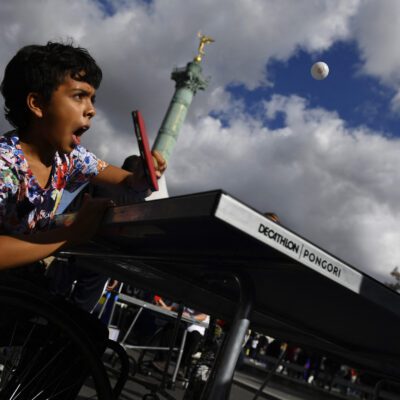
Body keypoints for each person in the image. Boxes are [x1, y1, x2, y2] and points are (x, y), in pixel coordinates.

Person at [0, 41, 166, 397]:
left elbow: (125, 183)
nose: (91, 110)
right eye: (79, 96)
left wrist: (143, 173)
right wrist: (70, 234)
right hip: (8, 289)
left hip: (23, 289)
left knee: (89, 333)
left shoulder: (70, 159)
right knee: (74, 334)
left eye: (92, 99)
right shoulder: (5, 165)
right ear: (37, 104)